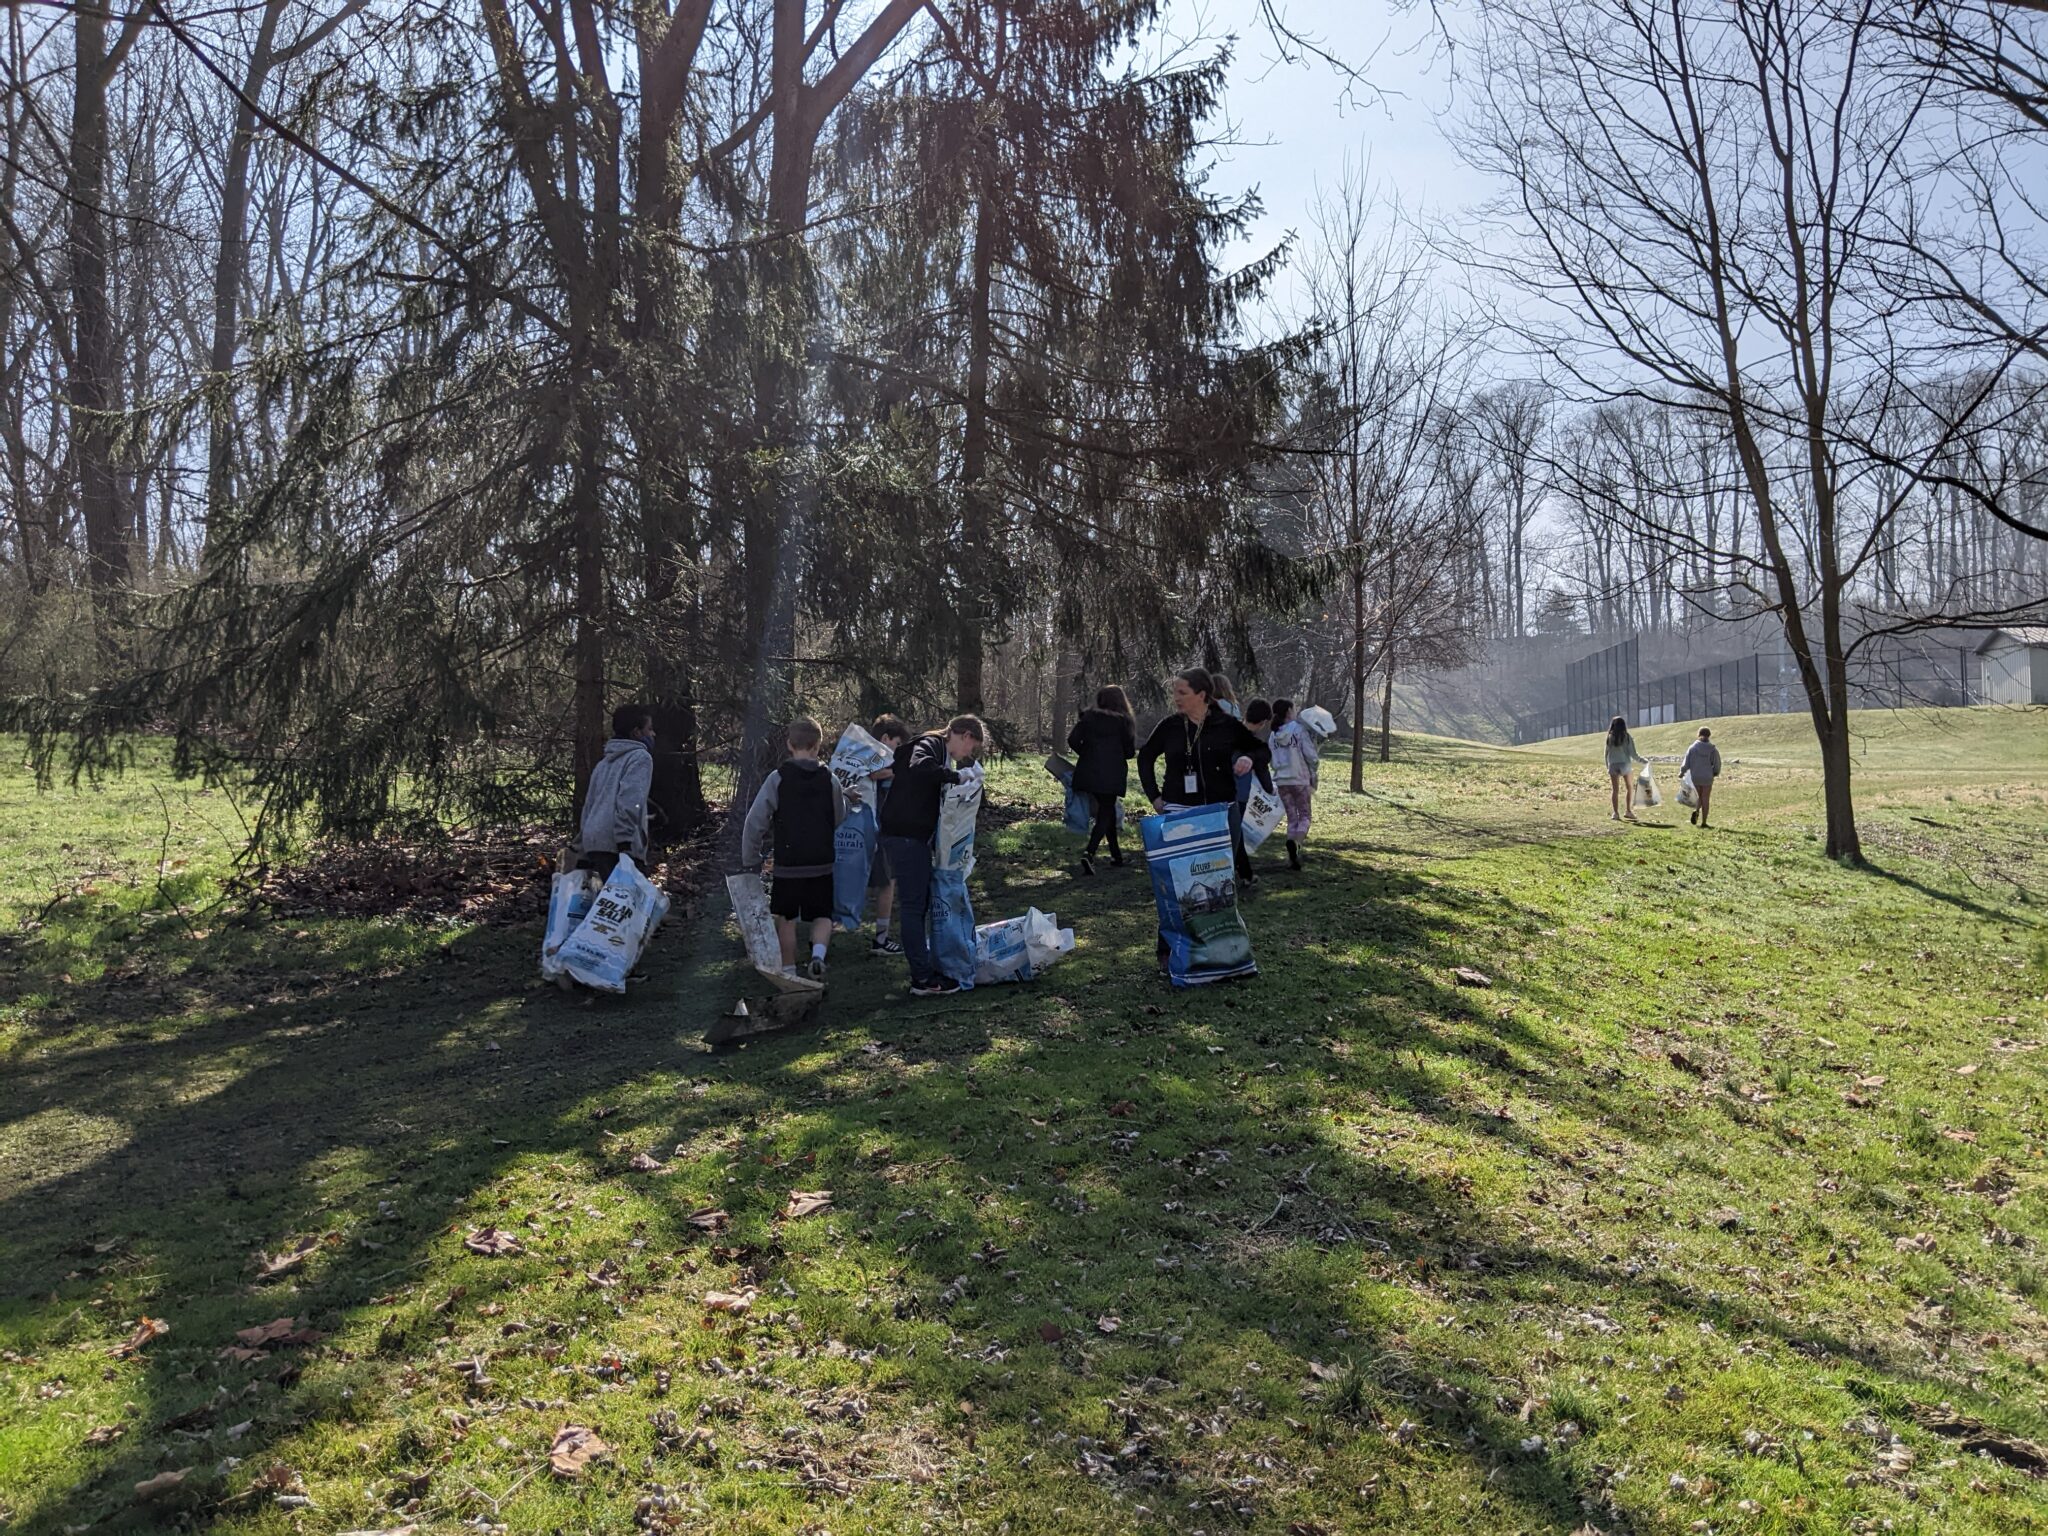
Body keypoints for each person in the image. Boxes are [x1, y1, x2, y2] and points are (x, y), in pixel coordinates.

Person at [878, 715, 986, 997]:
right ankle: (922, 979)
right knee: (914, 906)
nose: (968, 754)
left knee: (920, 902)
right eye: (971, 747)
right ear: (964, 735)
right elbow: (919, 765)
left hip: (908, 836)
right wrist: (955, 776)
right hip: (905, 837)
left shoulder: (937, 749)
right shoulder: (931, 744)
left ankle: (925, 969)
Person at [1138, 668, 1271, 885]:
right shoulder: (1170, 726)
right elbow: (1145, 757)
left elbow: (1261, 750)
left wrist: (1248, 758)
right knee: (1185, 879)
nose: (1176, 698)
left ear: (1201, 695)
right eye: (1175, 692)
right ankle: (1186, 917)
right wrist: (1154, 796)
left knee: (1220, 877)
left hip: (1223, 810)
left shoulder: (1225, 724)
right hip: (1180, 810)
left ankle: (1221, 917)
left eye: (1183, 692)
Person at [740, 718, 848, 985]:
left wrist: (750, 856)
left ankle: (788, 971)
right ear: (818, 746)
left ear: (789, 744)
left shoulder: (777, 779)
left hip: (789, 860)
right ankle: (818, 956)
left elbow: (755, 822)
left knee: (787, 917)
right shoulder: (830, 779)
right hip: (821, 859)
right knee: (822, 913)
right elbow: (839, 815)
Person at [577, 703, 656, 877]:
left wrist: (584, 844)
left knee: (603, 902)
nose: (653, 734)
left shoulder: (604, 763)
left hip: (594, 842)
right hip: (617, 845)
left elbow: (589, 806)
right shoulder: (640, 758)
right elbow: (630, 800)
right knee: (627, 900)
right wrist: (625, 842)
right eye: (649, 729)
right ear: (636, 732)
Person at [1067, 686, 1138, 876]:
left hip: (1088, 771)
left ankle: (1116, 856)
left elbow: (1072, 740)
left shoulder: (1088, 718)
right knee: (1106, 811)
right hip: (1112, 773)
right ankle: (1089, 853)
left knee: (1106, 812)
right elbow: (1130, 751)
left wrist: (1088, 755)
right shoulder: (1124, 722)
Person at [865, 715, 910, 952]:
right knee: (887, 881)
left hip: (865, 826)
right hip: (879, 827)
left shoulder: (860, 754)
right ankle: (881, 939)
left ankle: (819, 940)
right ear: (885, 738)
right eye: (898, 744)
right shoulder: (877, 758)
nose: (898, 749)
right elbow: (875, 774)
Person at [1268, 698, 1320, 870]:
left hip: (1282, 782)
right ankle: (1296, 845)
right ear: (1289, 711)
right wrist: (1314, 765)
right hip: (1300, 781)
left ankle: (1291, 856)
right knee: (1305, 817)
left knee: (1292, 819)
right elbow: (1311, 756)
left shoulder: (1273, 735)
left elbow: (1272, 761)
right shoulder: (1298, 730)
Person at [1605, 715, 1645, 823]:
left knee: (1615, 790)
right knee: (1629, 788)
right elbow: (1633, 754)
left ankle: (1615, 813)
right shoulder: (1626, 737)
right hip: (1625, 765)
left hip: (1613, 765)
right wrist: (1643, 761)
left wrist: (1607, 766)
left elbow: (1606, 753)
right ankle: (1628, 810)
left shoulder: (1609, 737)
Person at [1683, 726, 1723, 828]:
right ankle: (1704, 822)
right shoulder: (1712, 749)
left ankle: (1696, 811)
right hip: (1707, 777)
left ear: (1698, 734)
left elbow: (1686, 762)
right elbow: (1717, 763)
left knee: (1698, 797)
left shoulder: (1692, 748)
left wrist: (1682, 772)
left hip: (1695, 776)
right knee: (1705, 798)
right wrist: (1715, 772)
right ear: (1709, 735)